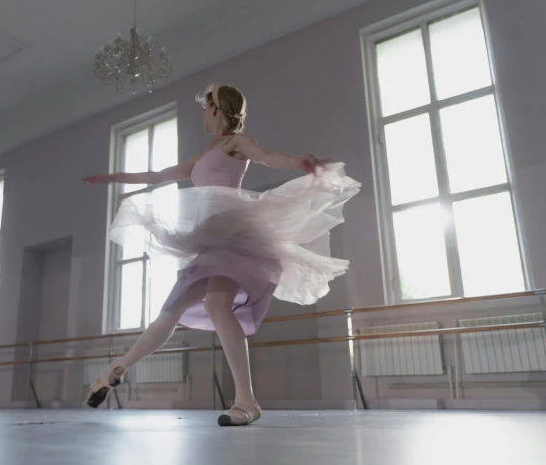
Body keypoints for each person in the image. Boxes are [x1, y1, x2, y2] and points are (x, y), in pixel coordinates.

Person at [83, 84, 360, 426]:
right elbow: (157, 176)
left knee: (216, 305)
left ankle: (247, 401)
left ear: (217, 109)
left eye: (205, 106)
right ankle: (114, 371)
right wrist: (112, 177)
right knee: (169, 313)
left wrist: (297, 162)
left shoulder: (235, 143)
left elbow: (267, 155)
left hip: (234, 234)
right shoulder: (201, 156)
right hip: (209, 242)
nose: (202, 113)